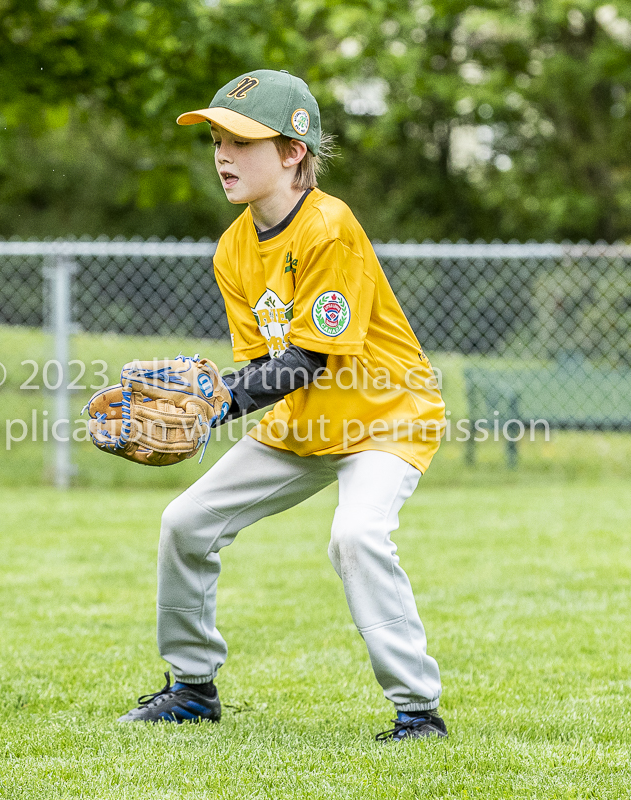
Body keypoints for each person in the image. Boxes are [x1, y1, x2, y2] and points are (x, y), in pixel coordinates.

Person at [118, 70, 448, 741]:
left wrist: (211, 405)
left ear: (293, 151)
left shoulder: (330, 228)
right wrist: (217, 393)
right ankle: (191, 688)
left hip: (386, 417)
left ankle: (417, 711)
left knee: (355, 537)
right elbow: (268, 365)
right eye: (216, 140)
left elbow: (310, 360)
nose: (221, 155)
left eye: (240, 140)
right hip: (299, 422)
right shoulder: (234, 247)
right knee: (185, 523)